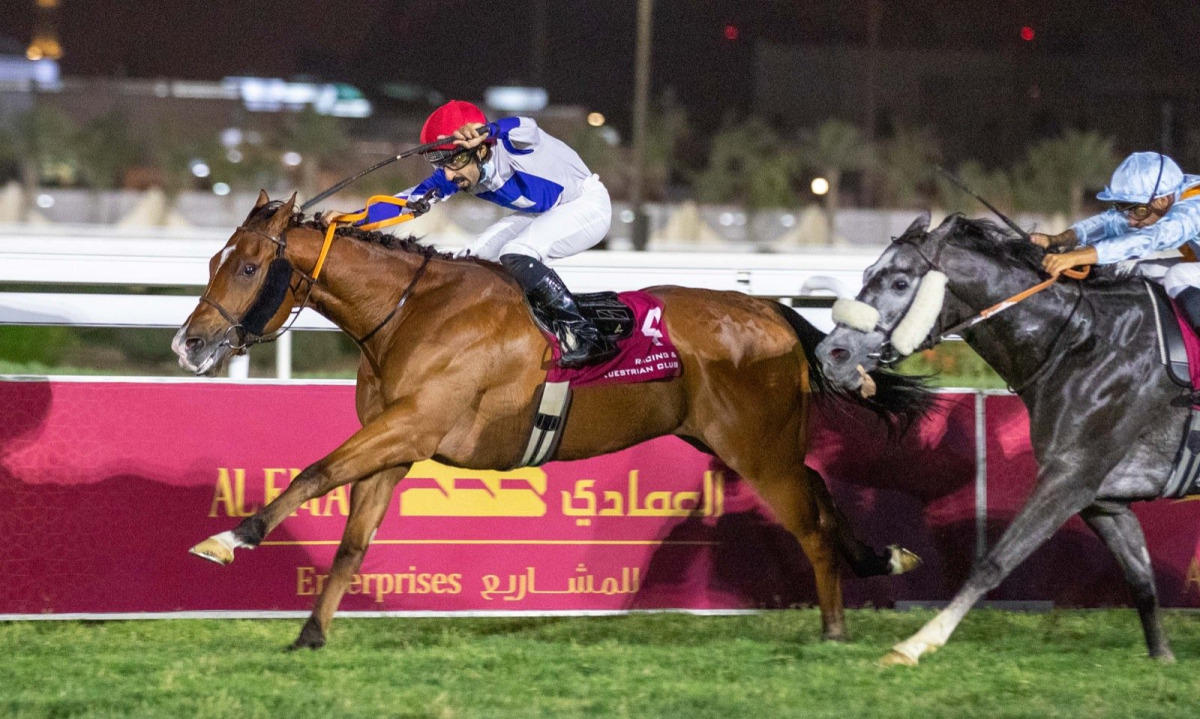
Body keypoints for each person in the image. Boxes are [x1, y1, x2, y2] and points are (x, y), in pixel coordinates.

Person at [357, 100, 616, 369]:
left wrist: (490, 130)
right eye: (439, 163)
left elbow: (526, 126)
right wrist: (350, 223)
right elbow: (403, 203)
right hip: (544, 213)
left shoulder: (511, 145)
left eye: (454, 160)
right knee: (463, 265)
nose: (448, 173)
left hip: (587, 205)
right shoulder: (454, 174)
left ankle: (586, 335)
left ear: (481, 149)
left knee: (516, 252)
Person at [1032, 151, 1200, 326]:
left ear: (1163, 200)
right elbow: (1110, 221)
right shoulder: (1170, 192)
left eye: (1138, 210)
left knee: (1178, 276)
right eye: (1125, 208)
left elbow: (1150, 239)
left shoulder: (1192, 209)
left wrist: (1076, 256)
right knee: (1137, 269)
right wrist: (1057, 240)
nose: (1131, 220)